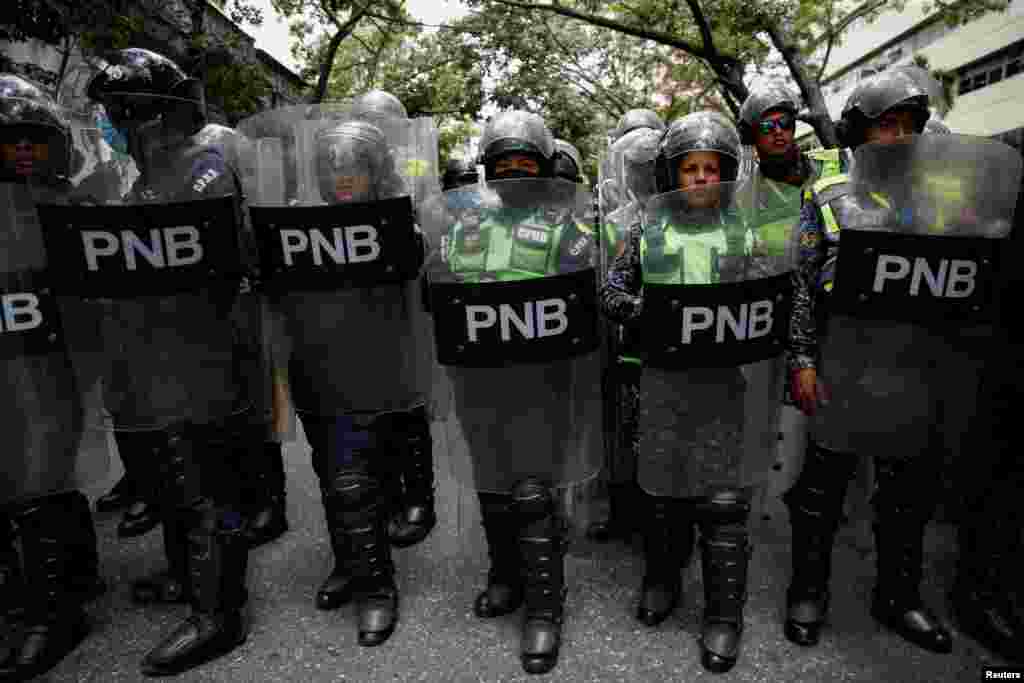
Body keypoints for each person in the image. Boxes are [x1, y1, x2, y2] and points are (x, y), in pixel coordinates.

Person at [81, 48, 259, 675]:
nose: (113, 125)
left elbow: (209, 262)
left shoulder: (202, 168)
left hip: (205, 352)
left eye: (119, 112)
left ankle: (220, 615)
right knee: (173, 476)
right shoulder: (144, 178)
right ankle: (189, 581)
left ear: (155, 113)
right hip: (158, 355)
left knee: (207, 481)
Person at [783, 67, 956, 654]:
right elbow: (802, 286)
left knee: (909, 489)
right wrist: (803, 359)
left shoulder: (943, 197)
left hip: (914, 364)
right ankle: (808, 590)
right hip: (842, 360)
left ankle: (900, 595)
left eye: (910, 125)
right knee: (822, 488)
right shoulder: (829, 194)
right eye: (888, 125)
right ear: (860, 132)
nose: (900, 136)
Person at [425, 110, 601, 675]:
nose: (515, 174)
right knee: (492, 484)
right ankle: (505, 575)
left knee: (531, 492)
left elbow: (583, 307)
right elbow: (436, 294)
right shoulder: (462, 228)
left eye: (526, 164)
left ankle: (545, 607)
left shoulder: (567, 230)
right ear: (487, 170)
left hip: (539, 386)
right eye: (503, 165)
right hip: (477, 382)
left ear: (546, 169)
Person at [601, 111, 766, 674]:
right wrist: (647, 313)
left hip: (724, 387)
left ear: (726, 173)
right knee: (665, 492)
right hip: (663, 384)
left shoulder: (745, 232)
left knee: (723, 502)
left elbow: (773, 298)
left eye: (711, 168)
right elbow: (613, 290)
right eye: (690, 168)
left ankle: (724, 614)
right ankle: (662, 578)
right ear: (674, 174)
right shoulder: (646, 229)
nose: (701, 178)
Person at [0, 73, 106, 681]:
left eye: (30, 141)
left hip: (55, 361)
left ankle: (56, 613)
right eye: (7, 141)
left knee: (42, 473)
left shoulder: (71, 206)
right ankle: (69, 578)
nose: (20, 152)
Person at [347, 90, 439, 550]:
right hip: (359, 299)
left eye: (382, 124)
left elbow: (433, 225)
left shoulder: (416, 169)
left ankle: (420, 496)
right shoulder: (342, 166)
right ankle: (386, 490)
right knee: (371, 398)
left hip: (404, 295)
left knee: (408, 398)